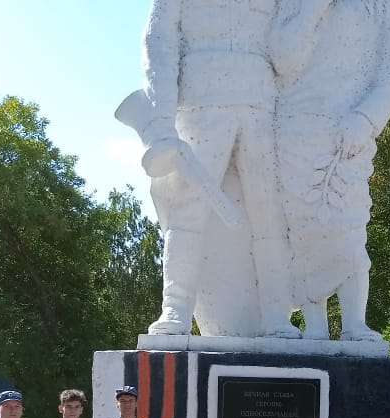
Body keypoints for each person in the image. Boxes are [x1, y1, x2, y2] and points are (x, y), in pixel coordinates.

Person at [122, 0, 300, 338]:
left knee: (269, 212)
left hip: (261, 101)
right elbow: (158, 39)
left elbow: (288, 43)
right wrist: (161, 117)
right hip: (201, 98)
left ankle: (276, 316)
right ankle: (175, 309)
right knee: (187, 211)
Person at [271, 0, 390, 341]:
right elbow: (281, 61)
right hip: (294, 130)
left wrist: (365, 119)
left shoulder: (381, 6)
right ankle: (314, 326)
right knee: (302, 230)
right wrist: (312, 10)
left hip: (349, 134)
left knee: (348, 226)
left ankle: (354, 323)